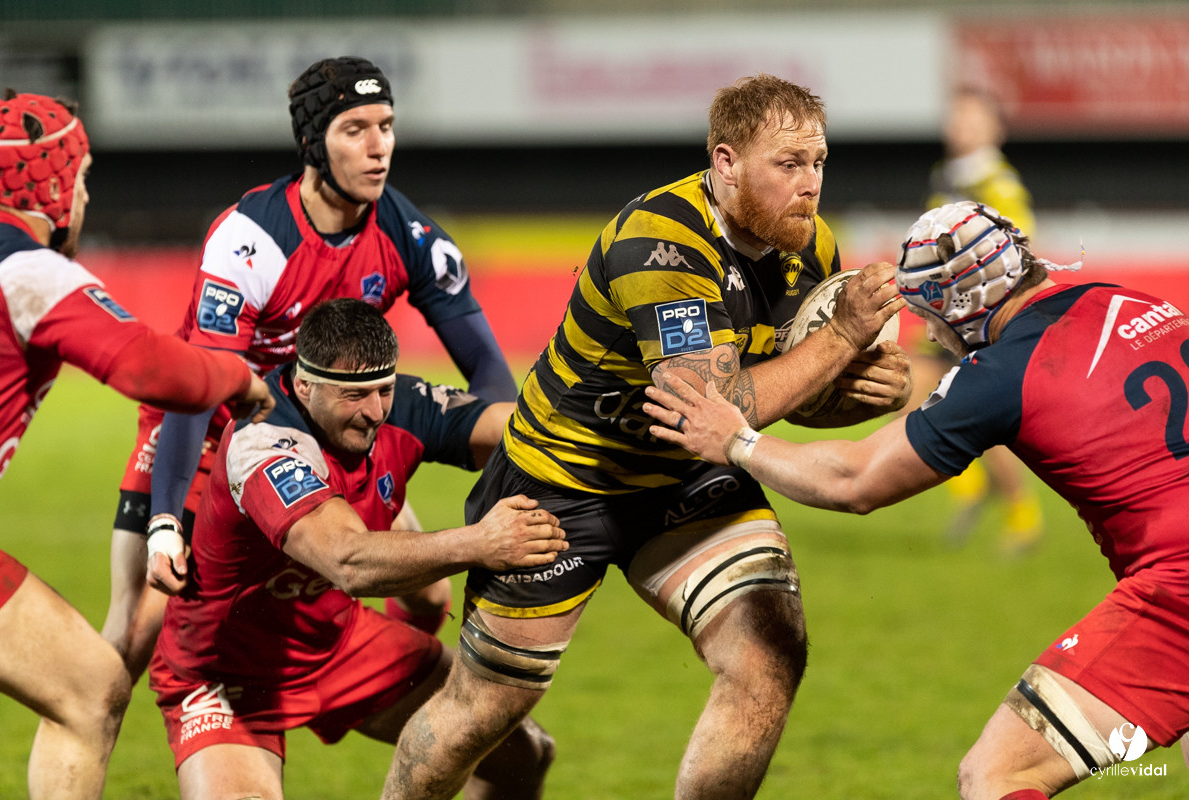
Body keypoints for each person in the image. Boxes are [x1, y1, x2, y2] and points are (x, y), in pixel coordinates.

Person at [382, 74, 910, 800]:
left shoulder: (808, 246)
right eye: (788, 164)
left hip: (687, 486)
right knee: (486, 708)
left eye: (818, 162)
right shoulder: (660, 241)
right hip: (563, 485)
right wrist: (844, 336)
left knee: (767, 659)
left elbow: (788, 394)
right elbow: (714, 408)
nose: (810, 184)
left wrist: (862, 391)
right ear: (725, 162)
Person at [644, 200, 1189, 800]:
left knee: (998, 775)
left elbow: (854, 481)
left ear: (960, 304)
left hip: (1179, 588)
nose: (929, 334)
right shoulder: (1133, 301)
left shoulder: (999, 374)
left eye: (931, 313)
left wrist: (737, 441)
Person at [102, 55, 518, 681]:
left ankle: (357, 687)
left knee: (428, 596)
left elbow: (486, 366)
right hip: (210, 430)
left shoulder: (408, 233)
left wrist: (500, 476)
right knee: (136, 630)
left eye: (387, 125)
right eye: (355, 129)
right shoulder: (251, 241)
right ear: (312, 143)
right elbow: (200, 386)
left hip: (319, 438)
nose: (379, 148)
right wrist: (165, 518)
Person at [147, 297, 565, 799]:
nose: (373, 413)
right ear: (304, 385)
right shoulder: (262, 442)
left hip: (338, 645)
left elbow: (513, 431)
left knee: (524, 755)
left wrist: (595, 427)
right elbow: (348, 560)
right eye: (353, 396)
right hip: (224, 677)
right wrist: (483, 541)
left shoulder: (394, 406)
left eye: (383, 390)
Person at [0, 90, 274, 800]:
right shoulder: (27, 269)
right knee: (87, 691)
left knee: (86, 684)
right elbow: (148, 366)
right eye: (80, 178)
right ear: (54, 187)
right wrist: (236, 376)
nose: (83, 197)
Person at [918, 84, 1042, 552]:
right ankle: (973, 487)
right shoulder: (947, 175)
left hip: (980, 317)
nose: (959, 126)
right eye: (955, 117)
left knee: (976, 412)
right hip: (946, 313)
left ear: (994, 128)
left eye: (970, 118)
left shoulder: (998, 184)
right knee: (913, 386)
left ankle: (1022, 515)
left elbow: (1022, 249)